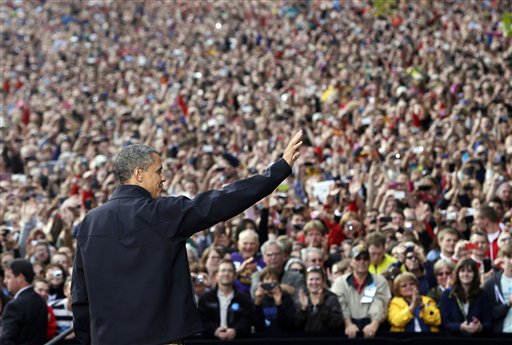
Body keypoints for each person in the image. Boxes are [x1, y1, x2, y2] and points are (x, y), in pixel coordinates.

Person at [72, 132, 303, 345]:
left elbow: (81, 297)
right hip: (159, 338)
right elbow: (220, 202)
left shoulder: (89, 223)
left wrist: (87, 339)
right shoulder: (160, 213)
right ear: (139, 174)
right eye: (159, 171)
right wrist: (278, 171)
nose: (163, 179)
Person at [331, 244, 391, 339]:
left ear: (369, 261)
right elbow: (340, 304)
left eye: (365, 259)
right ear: (351, 261)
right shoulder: (340, 282)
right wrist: (348, 324)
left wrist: (374, 324)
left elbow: (380, 302)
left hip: (374, 327)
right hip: (346, 327)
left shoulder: (380, 281)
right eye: (358, 258)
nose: (362, 262)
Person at [197, 259, 253, 340]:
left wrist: (235, 331)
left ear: (234, 275)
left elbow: (247, 320)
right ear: (217, 275)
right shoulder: (205, 298)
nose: (226, 274)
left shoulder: (244, 299)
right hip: (210, 341)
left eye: (230, 271)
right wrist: (215, 330)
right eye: (223, 270)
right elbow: (202, 320)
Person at [439, 258, 492, 336]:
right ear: (457, 273)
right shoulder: (447, 295)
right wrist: (460, 327)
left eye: (470, 271)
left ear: (475, 274)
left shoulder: (483, 295)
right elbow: (445, 323)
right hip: (454, 340)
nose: (466, 274)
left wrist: (480, 327)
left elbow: (489, 323)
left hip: (477, 339)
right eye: (462, 271)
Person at [0, 259, 47, 345]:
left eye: (8, 277)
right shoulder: (40, 301)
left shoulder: (14, 306)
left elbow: (7, 340)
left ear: (20, 278)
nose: (5, 281)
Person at [294, 266, 343, 332]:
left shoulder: (332, 299)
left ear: (322, 281)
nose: (314, 282)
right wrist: (303, 309)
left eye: (317, 279)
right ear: (306, 282)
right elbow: (295, 326)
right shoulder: (301, 299)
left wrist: (322, 306)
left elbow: (336, 324)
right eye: (311, 279)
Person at [253, 267, 296, 335]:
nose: (270, 282)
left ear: (278, 282)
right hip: (263, 337)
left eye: (273, 279)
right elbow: (256, 324)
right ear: (262, 282)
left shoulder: (286, 298)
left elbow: (288, 324)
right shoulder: (259, 299)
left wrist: (279, 304)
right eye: (267, 279)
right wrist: (257, 303)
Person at [482, 242, 512, 334]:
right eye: (510, 257)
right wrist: (508, 304)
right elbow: (489, 314)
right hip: (502, 335)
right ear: (502, 260)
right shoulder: (491, 284)